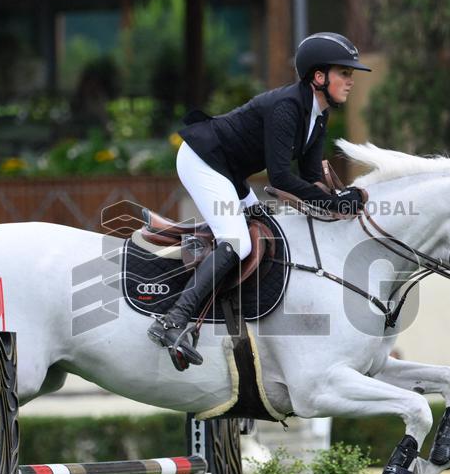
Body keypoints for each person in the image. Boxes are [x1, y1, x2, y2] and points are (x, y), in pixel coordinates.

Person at [147, 32, 372, 368]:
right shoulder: (288, 107)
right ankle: (172, 320)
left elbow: (310, 177)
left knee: (266, 231)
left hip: (230, 171)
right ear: (319, 76)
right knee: (238, 241)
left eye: (351, 74)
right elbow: (280, 178)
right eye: (345, 73)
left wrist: (339, 197)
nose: (351, 81)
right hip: (203, 160)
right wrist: (334, 204)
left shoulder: (319, 114)